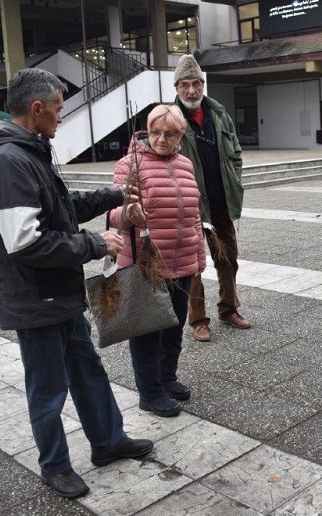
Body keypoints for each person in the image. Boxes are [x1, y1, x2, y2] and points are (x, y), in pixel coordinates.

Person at [0, 68, 153, 500]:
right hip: (33, 298)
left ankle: (108, 442)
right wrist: (95, 243)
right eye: (57, 111)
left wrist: (111, 196)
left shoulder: (29, 151)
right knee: (49, 388)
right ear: (35, 110)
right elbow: (27, 242)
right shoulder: (8, 161)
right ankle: (54, 465)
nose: (60, 119)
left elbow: (60, 208)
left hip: (59, 294)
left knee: (87, 371)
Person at [110, 104, 206, 418]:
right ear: (147, 131)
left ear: (180, 135)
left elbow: (193, 214)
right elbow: (112, 214)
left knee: (174, 327)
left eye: (170, 133)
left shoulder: (186, 164)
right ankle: (149, 392)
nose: (161, 139)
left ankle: (167, 378)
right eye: (155, 132)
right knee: (147, 331)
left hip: (182, 262)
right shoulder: (130, 164)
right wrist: (127, 212)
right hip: (145, 264)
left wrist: (199, 255)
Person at [172, 54, 250, 342]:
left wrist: (236, 181)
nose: (191, 91)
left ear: (203, 85)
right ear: (176, 88)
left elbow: (236, 153)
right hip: (189, 206)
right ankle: (198, 320)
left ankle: (229, 309)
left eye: (195, 84)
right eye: (184, 85)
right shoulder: (171, 119)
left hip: (220, 202)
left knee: (228, 258)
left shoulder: (219, 115)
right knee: (193, 266)